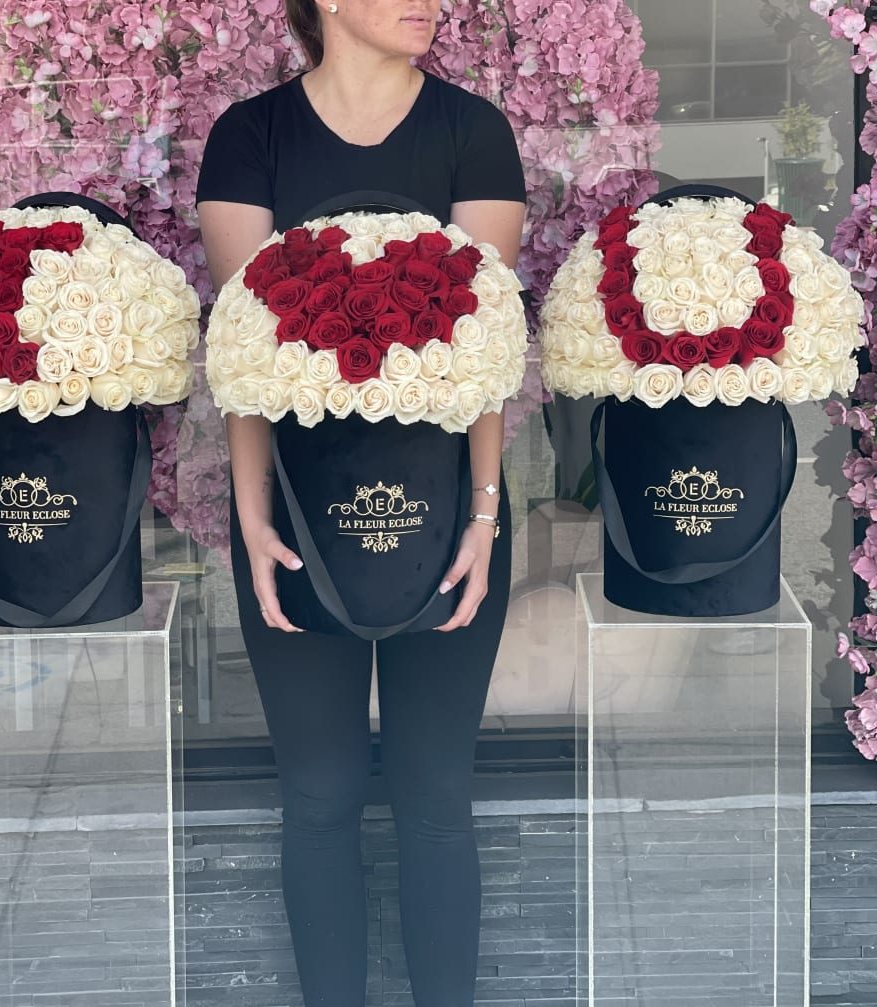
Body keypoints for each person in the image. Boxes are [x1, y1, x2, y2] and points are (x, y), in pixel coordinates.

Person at [195, 2, 526, 1003]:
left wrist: (482, 513)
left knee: (434, 798)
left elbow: (489, 351)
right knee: (320, 795)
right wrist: (251, 517)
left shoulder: (474, 131)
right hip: (294, 518)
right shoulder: (248, 137)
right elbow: (240, 353)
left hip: (447, 522)